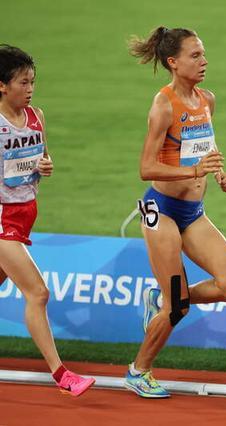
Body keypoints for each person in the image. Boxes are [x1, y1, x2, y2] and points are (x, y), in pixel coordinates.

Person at [125, 27, 226, 398]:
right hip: (160, 210)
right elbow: (146, 167)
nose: (204, 60)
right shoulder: (163, 105)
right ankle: (138, 370)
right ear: (173, 62)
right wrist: (194, 172)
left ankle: (161, 298)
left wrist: (217, 169)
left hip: (193, 210)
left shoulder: (206, 99)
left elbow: (203, 143)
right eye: (195, 55)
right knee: (177, 306)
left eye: (204, 53)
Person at [0, 44, 95, 396]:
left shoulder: (36, 115)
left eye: (32, 82)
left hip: (24, 217)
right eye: (23, 83)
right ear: (2, 86)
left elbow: (38, 157)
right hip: (1, 219)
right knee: (37, 293)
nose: (30, 89)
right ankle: (62, 375)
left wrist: (45, 165)